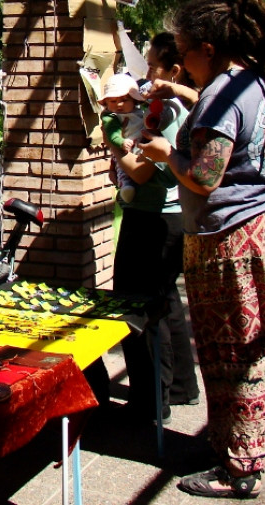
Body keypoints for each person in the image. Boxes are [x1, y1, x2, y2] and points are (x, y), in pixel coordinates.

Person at [137, 0, 265, 499]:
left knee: (232, 352)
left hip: (231, 242)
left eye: (184, 52)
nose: (181, 61)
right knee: (260, 349)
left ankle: (237, 468)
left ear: (207, 48)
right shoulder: (259, 78)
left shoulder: (219, 95)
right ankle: (244, 446)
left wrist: (167, 154)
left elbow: (206, 176)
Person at [103, 33, 199, 421]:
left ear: (174, 70)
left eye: (154, 65)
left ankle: (151, 400)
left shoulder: (166, 112)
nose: (146, 74)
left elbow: (143, 174)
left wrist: (113, 145)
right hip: (169, 217)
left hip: (155, 218)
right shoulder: (169, 104)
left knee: (136, 303)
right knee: (164, 300)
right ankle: (179, 387)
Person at [98, 73, 146, 204]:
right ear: (106, 102)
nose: (119, 104)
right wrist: (121, 142)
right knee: (122, 170)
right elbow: (112, 135)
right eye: (113, 101)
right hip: (125, 148)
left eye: (125, 100)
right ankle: (125, 187)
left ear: (134, 100)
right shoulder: (111, 117)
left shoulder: (140, 113)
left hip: (140, 148)